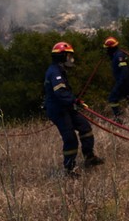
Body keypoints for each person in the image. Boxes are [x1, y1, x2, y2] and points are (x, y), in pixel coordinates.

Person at [43, 42, 104, 177]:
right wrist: (74, 101)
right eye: (69, 56)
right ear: (62, 56)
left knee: (85, 128)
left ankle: (89, 157)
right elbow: (60, 93)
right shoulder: (54, 72)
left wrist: (74, 102)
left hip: (67, 107)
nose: (71, 59)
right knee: (70, 139)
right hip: (58, 111)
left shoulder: (59, 70)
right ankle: (69, 169)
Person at [103, 36, 129, 123]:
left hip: (123, 82)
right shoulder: (116, 55)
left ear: (111, 48)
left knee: (112, 98)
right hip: (124, 82)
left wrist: (120, 83)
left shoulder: (119, 56)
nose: (106, 51)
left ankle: (118, 118)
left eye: (107, 49)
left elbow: (124, 71)